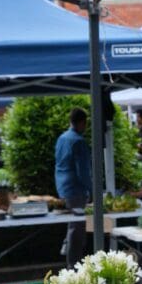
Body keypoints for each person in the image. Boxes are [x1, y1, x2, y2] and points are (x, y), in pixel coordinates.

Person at [54, 107, 91, 268]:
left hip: (62, 186)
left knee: (72, 224)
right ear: (82, 122)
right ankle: (73, 264)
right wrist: (92, 190)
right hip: (75, 189)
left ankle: (68, 251)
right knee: (77, 228)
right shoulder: (78, 141)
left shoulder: (62, 138)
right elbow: (82, 171)